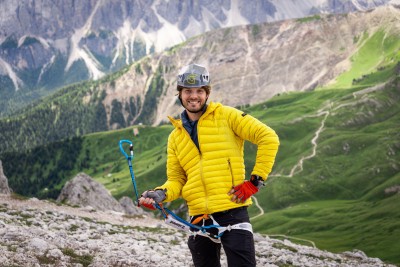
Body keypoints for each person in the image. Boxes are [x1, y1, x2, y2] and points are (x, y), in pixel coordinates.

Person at [139, 63, 279, 267]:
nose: (193, 96)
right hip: (198, 217)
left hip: (233, 211)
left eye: (199, 91)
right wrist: (161, 194)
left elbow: (268, 137)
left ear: (207, 93)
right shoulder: (175, 137)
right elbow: (177, 180)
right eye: (188, 91)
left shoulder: (227, 116)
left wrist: (256, 180)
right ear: (180, 94)